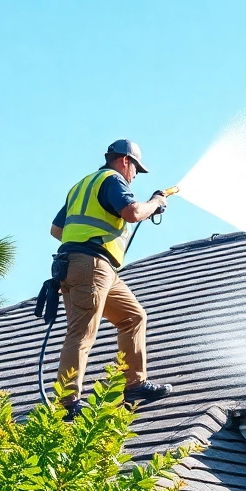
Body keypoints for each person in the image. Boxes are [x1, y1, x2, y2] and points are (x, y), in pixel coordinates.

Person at [50, 139, 174, 412]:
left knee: (133, 316)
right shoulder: (113, 180)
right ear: (125, 161)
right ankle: (66, 402)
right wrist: (155, 202)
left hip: (92, 266)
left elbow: (57, 230)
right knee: (82, 333)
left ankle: (134, 385)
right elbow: (132, 212)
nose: (134, 177)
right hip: (91, 265)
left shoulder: (82, 186)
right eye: (136, 170)